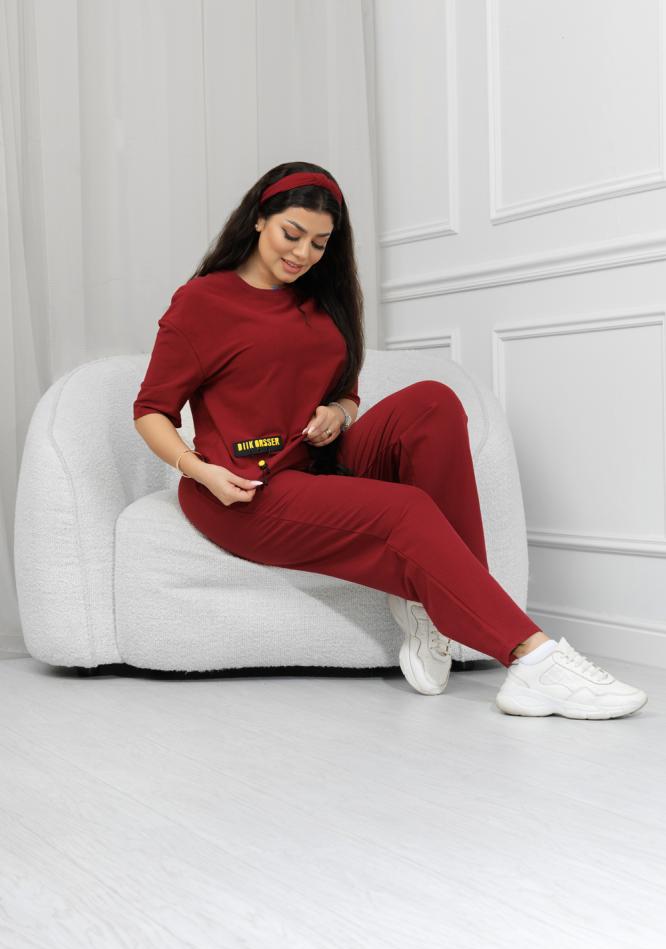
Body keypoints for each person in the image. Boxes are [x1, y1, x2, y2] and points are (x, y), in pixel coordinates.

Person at [133, 161, 648, 720]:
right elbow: (150, 410)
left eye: (319, 243)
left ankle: (436, 607)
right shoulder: (203, 302)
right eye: (292, 234)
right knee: (407, 509)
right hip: (243, 492)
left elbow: (347, 394)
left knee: (433, 401)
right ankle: (533, 660)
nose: (303, 254)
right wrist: (198, 468)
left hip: (316, 459)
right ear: (259, 219)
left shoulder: (322, 299)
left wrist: (338, 412)